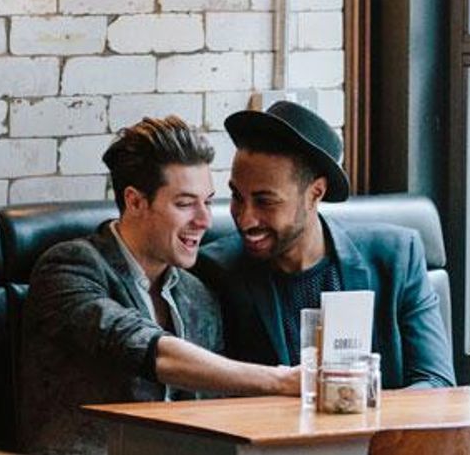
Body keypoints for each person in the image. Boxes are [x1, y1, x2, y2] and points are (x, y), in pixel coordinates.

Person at [18, 116, 297, 455]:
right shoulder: (69, 268)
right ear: (135, 201)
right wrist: (281, 380)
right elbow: (140, 346)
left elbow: (212, 416)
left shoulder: (197, 295)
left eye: (208, 201)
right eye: (185, 204)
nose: (205, 220)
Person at [195, 101, 455, 390]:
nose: (245, 219)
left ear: (315, 193)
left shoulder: (396, 258)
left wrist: (362, 408)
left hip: (377, 421)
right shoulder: (215, 271)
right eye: (237, 197)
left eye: (265, 202)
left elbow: (436, 383)